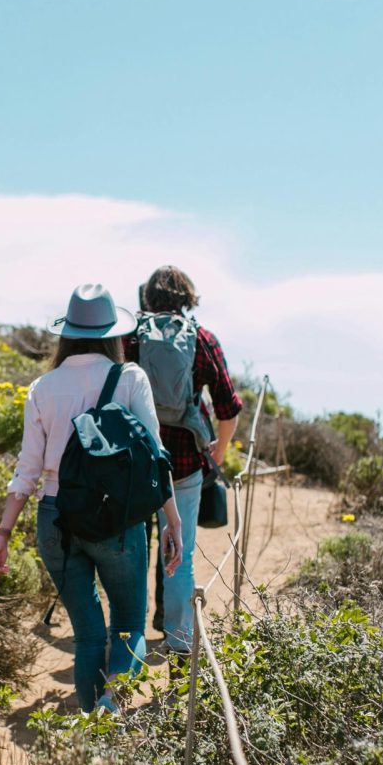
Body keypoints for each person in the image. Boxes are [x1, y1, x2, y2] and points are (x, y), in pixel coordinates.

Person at [0, 284, 184, 712]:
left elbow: (27, 470)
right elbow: (154, 455)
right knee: (129, 626)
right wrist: (173, 519)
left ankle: (92, 721)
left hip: (56, 518)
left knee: (89, 635)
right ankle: (109, 713)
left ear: (68, 332)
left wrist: (2, 535)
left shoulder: (43, 386)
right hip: (117, 519)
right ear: (114, 333)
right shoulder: (129, 377)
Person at [131, 266, 243, 655]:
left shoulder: (129, 336)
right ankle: (179, 642)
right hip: (183, 462)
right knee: (180, 549)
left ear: (147, 297)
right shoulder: (203, 339)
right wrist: (218, 452)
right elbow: (229, 407)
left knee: (133, 547)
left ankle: (130, 640)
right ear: (187, 297)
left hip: (133, 460)